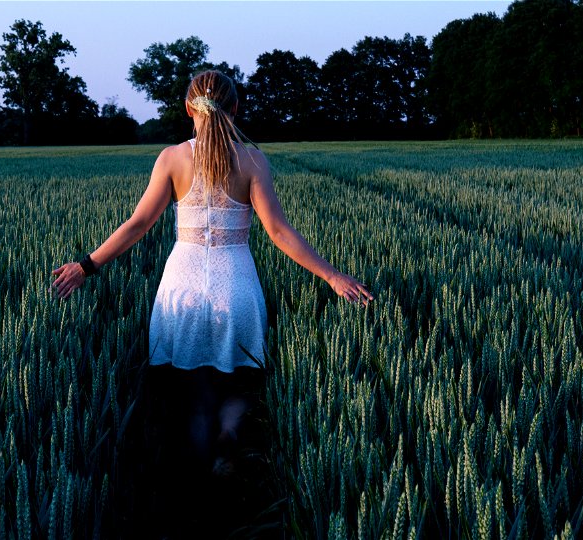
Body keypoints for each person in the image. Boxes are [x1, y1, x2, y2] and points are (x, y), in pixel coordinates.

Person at [52, 69, 372, 531]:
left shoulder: (171, 159)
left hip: (182, 289)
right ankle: (229, 441)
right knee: (240, 384)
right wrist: (332, 276)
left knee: (194, 399)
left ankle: (194, 499)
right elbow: (278, 232)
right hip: (236, 288)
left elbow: (137, 224)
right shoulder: (253, 161)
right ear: (236, 109)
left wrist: (86, 266)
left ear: (187, 109)